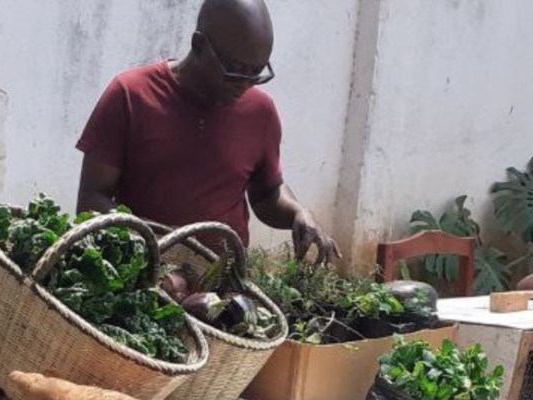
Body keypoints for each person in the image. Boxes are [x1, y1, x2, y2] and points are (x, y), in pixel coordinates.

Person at [76, 0, 340, 263]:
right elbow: (91, 199)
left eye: (256, 73)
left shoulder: (261, 112)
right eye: (234, 71)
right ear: (199, 44)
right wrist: (160, 246)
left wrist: (298, 212)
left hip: (223, 281)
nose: (244, 85)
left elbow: (266, 195)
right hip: (140, 276)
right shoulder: (130, 94)